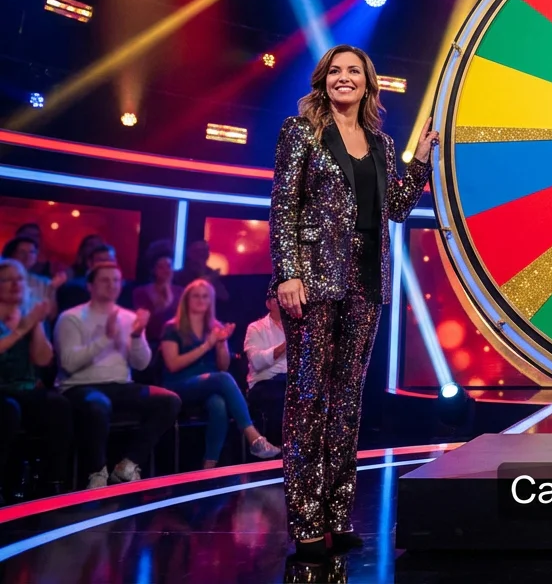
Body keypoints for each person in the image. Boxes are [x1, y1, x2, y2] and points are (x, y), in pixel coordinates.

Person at [270, 44, 434, 558]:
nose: (345, 78)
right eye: (336, 71)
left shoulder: (383, 144)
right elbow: (283, 207)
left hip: (366, 285)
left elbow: (398, 210)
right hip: (314, 283)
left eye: (354, 72)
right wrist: (288, 275)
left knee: (346, 404)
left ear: (368, 84)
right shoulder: (301, 132)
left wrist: (421, 163)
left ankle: (337, 514)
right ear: (324, 80)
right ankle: (305, 520)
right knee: (307, 400)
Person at [55, 261, 180, 488]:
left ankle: (128, 465)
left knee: (169, 400)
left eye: (116, 280)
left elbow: (141, 364)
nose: (112, 284)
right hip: (80, 386)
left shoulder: (128, 317)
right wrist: (105, 338)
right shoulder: (71, 317)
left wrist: (136, 335)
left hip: (121, 385)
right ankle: (96, 473)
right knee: (97, 404)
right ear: (90, 286)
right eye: (105, 280)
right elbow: (68, 364)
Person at [159, 280, 279, 469]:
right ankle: (254, 438)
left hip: (210, 385)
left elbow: (223, 366)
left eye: (205, 296)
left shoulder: (214, 327)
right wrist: (207, 345)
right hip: (178, 384)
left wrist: (221, 342)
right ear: (186, 300)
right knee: (222, 379)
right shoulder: (172, 328)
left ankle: (209, 466)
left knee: (219, 403)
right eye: (196, 296)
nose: (200, 300)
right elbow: (173, 364)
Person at [0, 259, 71, 498]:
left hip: (26, 388)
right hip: (2, 391)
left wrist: (35, 324)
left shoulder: (29, 314)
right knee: (9, 410)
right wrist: (22, 328)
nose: (15, 284)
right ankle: (4, 483)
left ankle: (52, 482)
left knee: (58, 405)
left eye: (19, 279)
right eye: (7, 280)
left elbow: (42, 360)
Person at [243, 296, 287, 446]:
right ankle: (276, 450)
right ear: (268, 303)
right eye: (277, 299)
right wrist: (285, 346)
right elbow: (257, 361)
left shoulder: (298, 326)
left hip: (290, 380)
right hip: (264, 382)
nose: (282, 302)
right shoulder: (256, 328)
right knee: (280, 397)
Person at [132, 252, 183, 346]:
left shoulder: (181, 292)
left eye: (169, 266)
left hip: (176, 343)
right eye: (161, 267)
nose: (166, 270)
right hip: (150, 343)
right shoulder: (141, 292)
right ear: (153, 270)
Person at [56, 244, 115, 314]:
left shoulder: (125, 289)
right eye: (101, 261)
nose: (107, 264)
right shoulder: (74, 288)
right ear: (89, 263)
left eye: (110, 260)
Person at [174, 240, 230, 305]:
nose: (201, 254)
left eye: (204, 251)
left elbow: (224, 298)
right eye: (198, 251)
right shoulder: (180, 275)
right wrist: (207, 280)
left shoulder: (212, 273)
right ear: (189, 253)